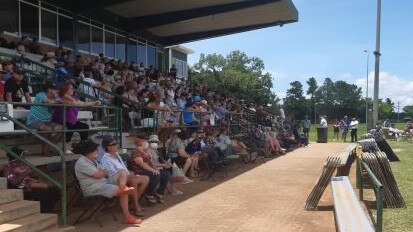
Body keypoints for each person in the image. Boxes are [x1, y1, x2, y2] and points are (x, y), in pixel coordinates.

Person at [73, 140, 141, 224]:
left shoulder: (93, 160)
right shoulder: (82, 162)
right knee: (124, 192)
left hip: (103, 183)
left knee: (122, 171)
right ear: (89, 152)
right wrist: (102, 172)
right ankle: (127, 217)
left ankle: (123, 188)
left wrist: (102, 172)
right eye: (95, 150)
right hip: (93, 187)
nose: (97, 151)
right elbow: (99, 174)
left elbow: (104, 172)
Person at [100, 135, 149, 217]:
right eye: (114, 144)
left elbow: (123, 168)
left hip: (124, 176)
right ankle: (136, 207)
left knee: (146, 179)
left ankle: (133, 203)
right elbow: (112, 173)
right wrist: (129, 176)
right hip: (116, 180)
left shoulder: (116, 154)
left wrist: (130, 173)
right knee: (134, 180)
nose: (116, 145)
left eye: (116, 143)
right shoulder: (105, 159)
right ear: (108, 147)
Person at [3, 146, 60, 213]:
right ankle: (43, 211)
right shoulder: (9, 167)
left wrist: (33, 175)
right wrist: (24, 175)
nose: (24, 156)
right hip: (23, 188)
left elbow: (31, 176)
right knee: (43, 192)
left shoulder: (22, 163)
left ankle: (46, 210)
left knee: (56, 190)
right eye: (22, 154)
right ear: (16, 156)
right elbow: (14, 182)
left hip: (32, 184)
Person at [130, 138, 171, 204]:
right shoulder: (135, 152)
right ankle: (149, 193)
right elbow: (142, 164)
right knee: (156, 175)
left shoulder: (145, 151)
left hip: (148, 170)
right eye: (145, 142)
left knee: (166, 174)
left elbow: (151, 164)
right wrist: (153, 170)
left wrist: (162, 165)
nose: (147, 143)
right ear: (141, 144)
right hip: (141, 172)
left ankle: (159, 193)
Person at [26, 83, 63, 156]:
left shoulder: (53, 99)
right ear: (50, 90)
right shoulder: (41, 95)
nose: (57, 94)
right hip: (33, 121)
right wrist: (58, 101)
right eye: (56, 91)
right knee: (48, 129)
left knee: (62, 128)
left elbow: (60, 106)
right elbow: (47, 101)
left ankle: (50, 148)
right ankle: (44, 151)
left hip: (46, 122)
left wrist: (60, 102)